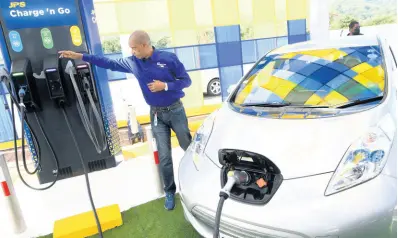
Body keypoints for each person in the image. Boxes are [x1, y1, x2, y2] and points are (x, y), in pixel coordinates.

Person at [59, 30, 193, 211]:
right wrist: (81, 56)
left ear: (145, 45)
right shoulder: (133, 63)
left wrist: (165, 86)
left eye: (135, 48)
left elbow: (186, 81)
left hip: (176, 111)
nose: (132, 52)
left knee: (189, 148)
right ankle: (169, 191)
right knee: (164, 157)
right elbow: (108, 63)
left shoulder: (168, 59)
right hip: (156, 115)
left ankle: (196, 182)